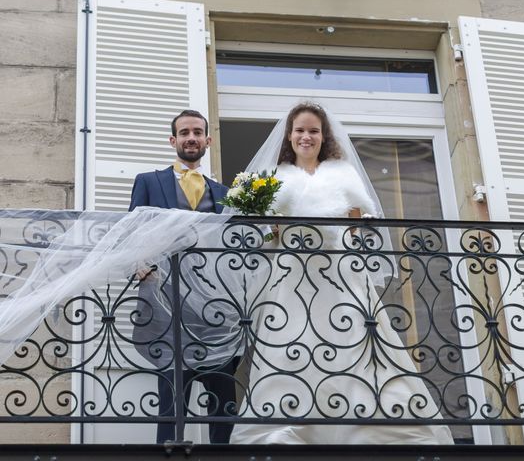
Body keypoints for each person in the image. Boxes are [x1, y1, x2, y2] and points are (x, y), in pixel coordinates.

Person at [229, 103, 453, 444]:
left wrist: (352, 225)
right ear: (289, 136)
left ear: (324, 136)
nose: (307, 136)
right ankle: (290, 423)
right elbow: (263, 234)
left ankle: (363, 425)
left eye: (313, 131)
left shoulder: (343, 172)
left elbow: (361, 223)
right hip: (290, 280)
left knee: (353, 345)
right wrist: (271, 228)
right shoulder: (274, 178)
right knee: (290, 344)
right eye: (300, 130)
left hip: (338, 276)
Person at [129, 109, 239, 444]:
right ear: (173, 140)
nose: (191, 138)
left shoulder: (225, 193)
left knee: (224, 396)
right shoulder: (149, 181)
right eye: (184, 132)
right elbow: (132, 231)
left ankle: (219, 452)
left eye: (197, 132)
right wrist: (138, 265)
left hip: (215, 307)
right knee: (171, 396)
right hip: (166, 303)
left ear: (207, 140)